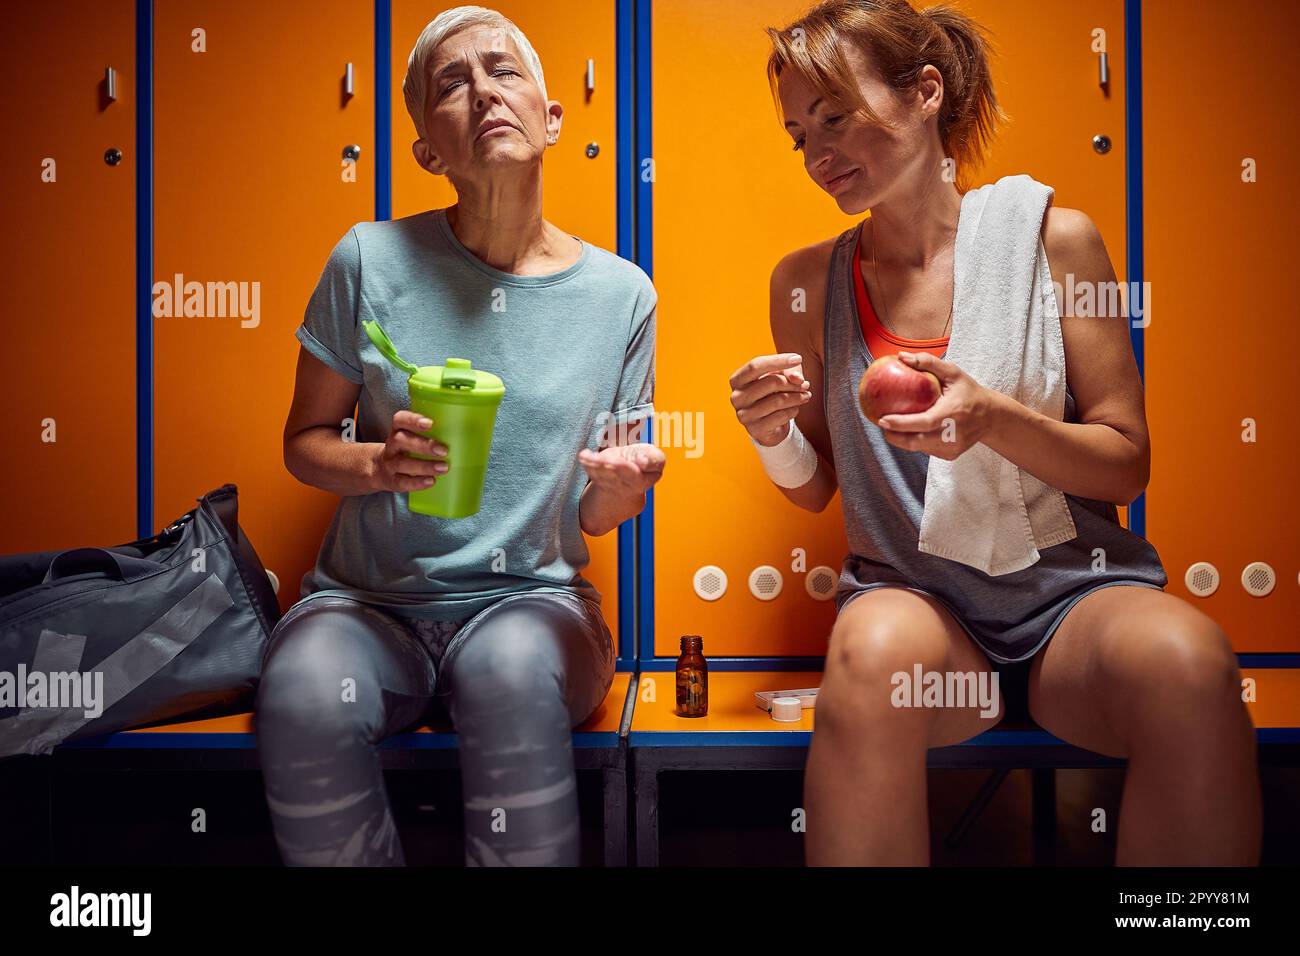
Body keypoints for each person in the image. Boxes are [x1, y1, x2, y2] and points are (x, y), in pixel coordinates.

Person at [731, 0, 1259, 865]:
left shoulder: (1058, 244)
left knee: (1191, 664)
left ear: (926, 91)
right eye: (798, 135)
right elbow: (818, 484)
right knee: (865, 658)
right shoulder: (806, 282)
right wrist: (770, 432)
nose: (817, 154)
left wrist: (992, 419)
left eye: (835, 116)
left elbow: (1126, 466)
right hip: (919, 605)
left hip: (1071, 604)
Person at [256, 5, 663, 866]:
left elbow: (594, 516)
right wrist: (374, 463)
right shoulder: (367, 260)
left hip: (536, 604)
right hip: (369, 607)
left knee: (509, 674)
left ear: (552, 119)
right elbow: (304, 440)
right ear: (426, 153)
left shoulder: (624, 296)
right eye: (452, 83)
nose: (483, 92)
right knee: (299, 694)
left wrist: (621, 491)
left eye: (503, 71)